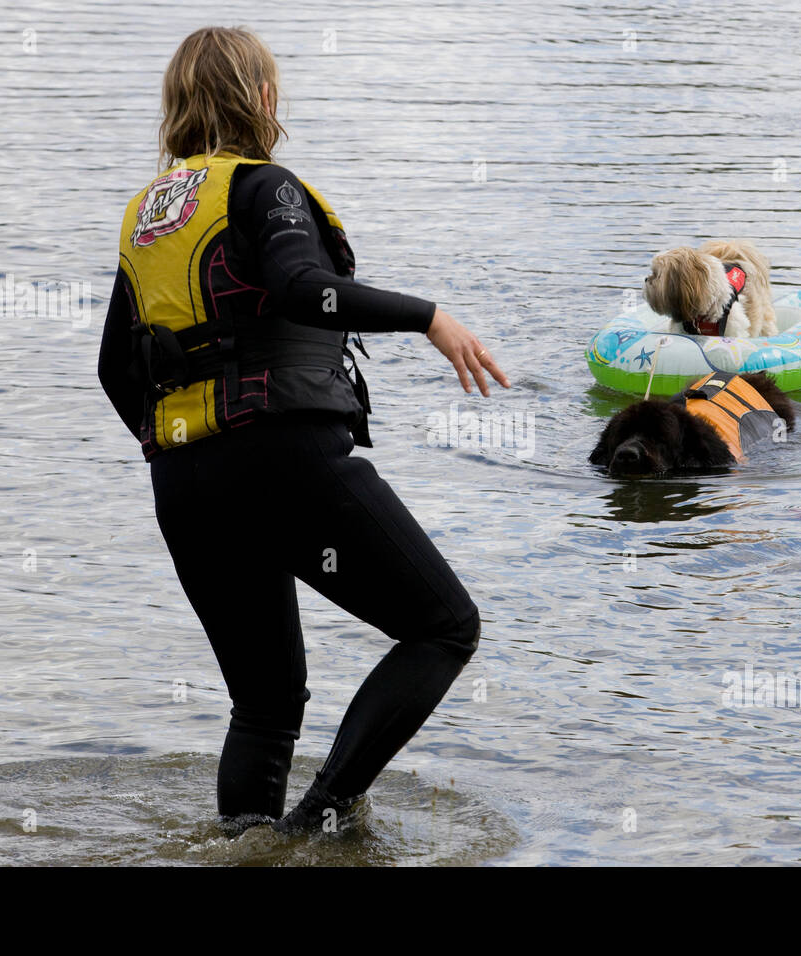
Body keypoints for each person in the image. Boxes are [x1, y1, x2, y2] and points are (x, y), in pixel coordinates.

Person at [96, 25, 509, 834]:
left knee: (265, 702)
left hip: (183, 482)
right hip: (285, 460)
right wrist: (429, 317)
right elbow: (300, 289)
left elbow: (116, 369)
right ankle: (318, 825)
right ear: (264, 98)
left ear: (176, 105)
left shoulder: (146, 218)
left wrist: (183, 452)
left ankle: (249, 849)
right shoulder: (265, 187)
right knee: (444, 626)